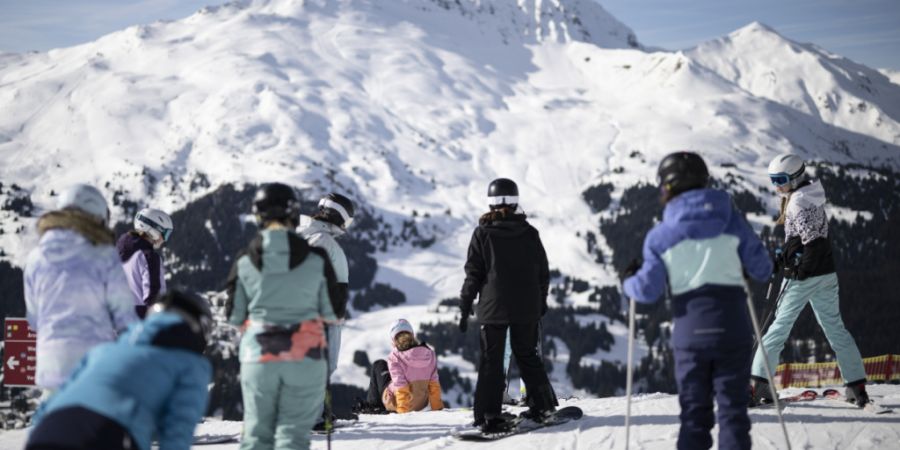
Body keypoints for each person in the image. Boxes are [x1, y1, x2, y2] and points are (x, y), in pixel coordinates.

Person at [622, 151, 772, 450]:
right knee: (733, 414)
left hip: (690, 336)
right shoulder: (731, 221)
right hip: (733, 329)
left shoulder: (661, 236)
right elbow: (764, 268)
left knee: (694, 416)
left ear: (668, 187)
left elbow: (646, 291)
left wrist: (628, 279)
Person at [226, 182, 340, 450]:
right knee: (293, 437)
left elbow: (233, 315)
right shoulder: (318, 258)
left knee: (256, 435)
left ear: (258, 216)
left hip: (260, 356)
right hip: (305, 357)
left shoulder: (244, 260)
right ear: (294, 214)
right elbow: (333, 311)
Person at [25, 290, 213, 450]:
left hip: (47, 431)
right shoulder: (190, 364)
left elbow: (55, 398)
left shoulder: (104, 351)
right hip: (108, 434)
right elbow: (177, 432)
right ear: (199, 327)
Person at [750, 154, 868, 406]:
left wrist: (799, 271)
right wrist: (782, 259)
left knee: (777, 330)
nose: (776, 186)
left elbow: (813, 242)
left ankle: (758, 385)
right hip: (826, 275)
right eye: (772, 180)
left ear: (795, 177)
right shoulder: (809, 196)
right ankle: (857, 386)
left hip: (804, 277)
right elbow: (804, 238)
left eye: (780, 180)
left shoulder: (797, 203)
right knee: (836, 328)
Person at [458, 178, 557, 433]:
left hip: (493, 308)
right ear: (515, 201)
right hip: (527, 308)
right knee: (527, 355)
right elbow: (542, 273)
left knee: (491, 361)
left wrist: (465, 304)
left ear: (490, 202)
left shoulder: (482, 233)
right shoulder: (529, 233)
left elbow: (474, 274)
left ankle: (489, 415)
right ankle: (543, 406)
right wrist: (541, 301)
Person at [24, 184, 138, 396]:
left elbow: (34, 318)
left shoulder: (35, 257)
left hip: (51, 365)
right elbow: (124, 316)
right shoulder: (104, 255)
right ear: (98, 216)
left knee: (55, 423)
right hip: (93, 362)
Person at [297, 193, 353, 430]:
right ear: (338, 216)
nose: (345, 227)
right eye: (347, 221)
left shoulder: (307, 235)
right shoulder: (322, 240)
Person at [363, 319, 444, 414]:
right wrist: (437, 409)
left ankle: (373, 407)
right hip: (421, 404)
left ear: (393, 340)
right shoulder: (429, 354)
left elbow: (401, 387)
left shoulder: (395, 357)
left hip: (399, 404)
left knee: (379, 365)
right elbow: (434, 384)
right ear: (412, 335)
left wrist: (402, 413)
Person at [116, 208, 174, 318]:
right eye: (165, 234)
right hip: (139, 322)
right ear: (154, 230)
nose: (165, 239)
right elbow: (153, 296)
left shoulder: (117, 250)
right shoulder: (149, 257)